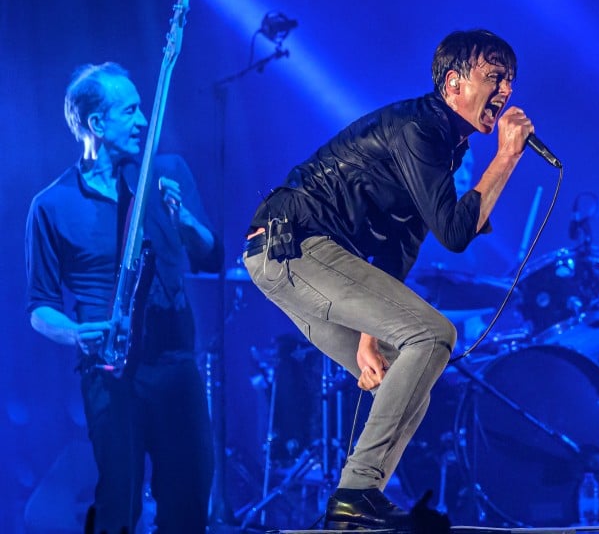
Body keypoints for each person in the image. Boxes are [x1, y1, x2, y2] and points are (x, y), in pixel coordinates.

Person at [242, 29, 532, 530]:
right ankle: (355, 491)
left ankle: (357, 507)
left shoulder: (445, 145)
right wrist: (506, 158)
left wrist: (369, 338)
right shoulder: (419, 129)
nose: (506, 89)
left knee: (408, 364)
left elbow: (399, 247)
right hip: (295, 245)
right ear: (454, 83)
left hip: (298, 256)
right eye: (494, 76)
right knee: (436, 333)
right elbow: (456, 232)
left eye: (510, 79)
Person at [25, 62, 223, 533]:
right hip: (110, 374)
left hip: (176, 365)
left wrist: (186, 223)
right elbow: (39, 307)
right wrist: (74, 332)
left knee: (190, 500)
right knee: (120, 503)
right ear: (96, 124)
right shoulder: (51, 205)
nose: (143, 121)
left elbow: (211, 258)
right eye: (131, 111)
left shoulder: (166, 171)